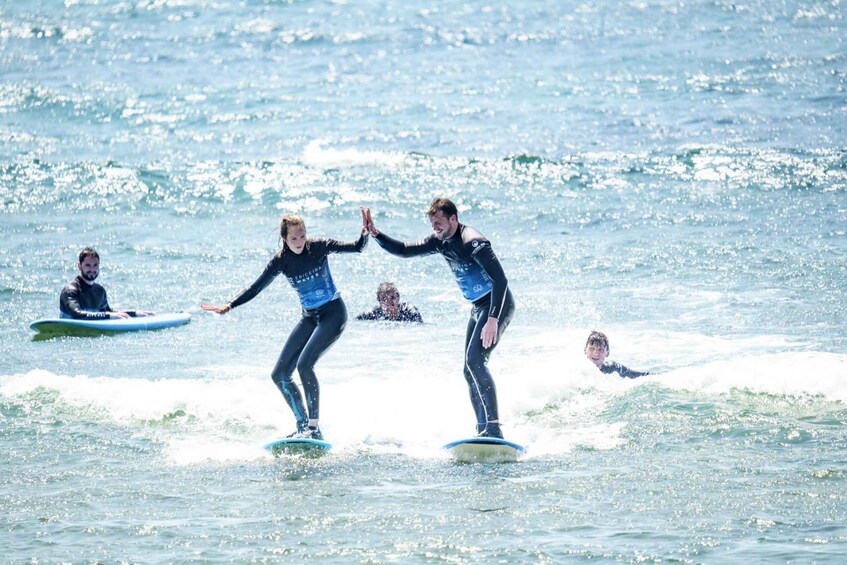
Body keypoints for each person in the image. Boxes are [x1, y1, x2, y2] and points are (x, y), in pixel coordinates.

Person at [201, 211, 369, 440]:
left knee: (305, 365)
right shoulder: (281, 261)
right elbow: (255, 288)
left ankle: (314, 427)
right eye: (294, 239)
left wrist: (365, 232)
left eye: (302, 236)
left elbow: (357, 247)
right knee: (279, 374)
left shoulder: (319, 247)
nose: (300, 242)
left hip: (333, 313)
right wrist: (230, 305)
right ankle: (302, 426)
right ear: (284, 239)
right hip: (310, 317)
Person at [362, 199, 515, 439]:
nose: (435, 227)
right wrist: (376, 234)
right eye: (432, 223)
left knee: (475, 361)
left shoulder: (473, 241)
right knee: (468, 368)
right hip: (478, 307)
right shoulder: (439, 241)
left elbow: (501, 281)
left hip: (497, 305)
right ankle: (483, 428)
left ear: (453, 219)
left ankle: (494, 428)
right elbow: (404, 249)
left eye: (439, 222)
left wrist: (493, 319)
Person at [59, 247, 153, 319]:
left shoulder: (99, 291)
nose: (92, 269)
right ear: (79, 266)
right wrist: (108, 316)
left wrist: (135, 313)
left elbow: (108, 312)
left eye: (95, 265)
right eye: (88, 265)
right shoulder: (70, 290)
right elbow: (76, 314)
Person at [584, 330, 650, 379]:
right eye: (591, 349)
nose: (595, 353)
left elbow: (638, 375)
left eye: (600, 349)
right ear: (585, 350)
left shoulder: (613, 368)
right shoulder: (579, 370)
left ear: (607, 353)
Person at [356, 282, 423, 323]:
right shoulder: (374, 313)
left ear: (398, 297)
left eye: (392, 298)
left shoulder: (409, 311)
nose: (389, 302)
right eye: (384, 299)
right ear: (379, 301)